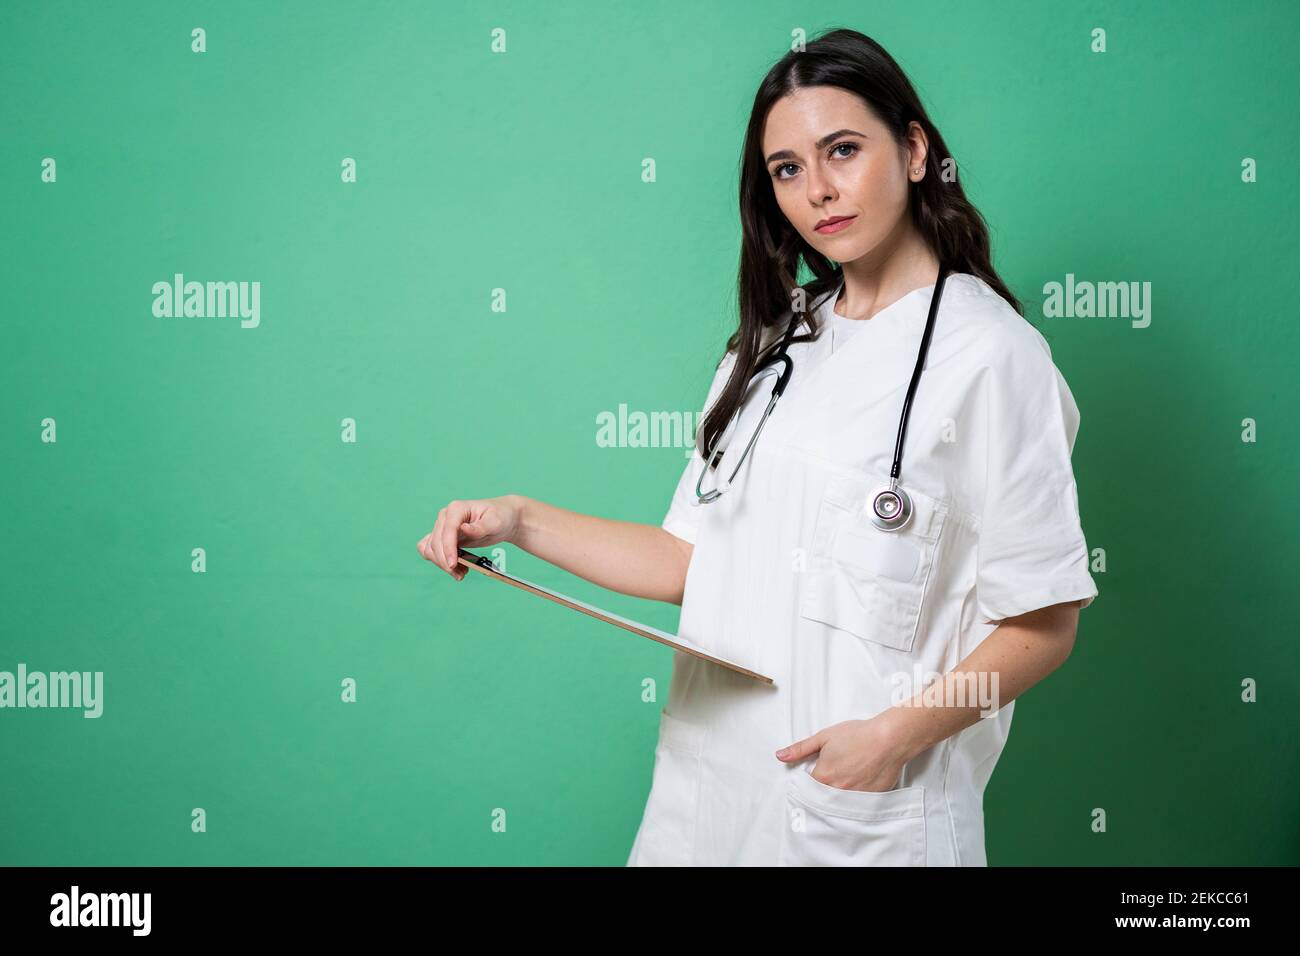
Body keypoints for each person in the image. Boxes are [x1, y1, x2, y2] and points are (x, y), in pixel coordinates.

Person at [416, 27, 1098, 866]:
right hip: (706, 801)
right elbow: (687, 561)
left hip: (864, 814)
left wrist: (893, 736)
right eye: (787, 169)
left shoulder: (994, 358)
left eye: (842, 150)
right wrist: (519, 521)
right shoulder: (771, 348)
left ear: (916, 150)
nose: (818, 190)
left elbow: (1044, 623)